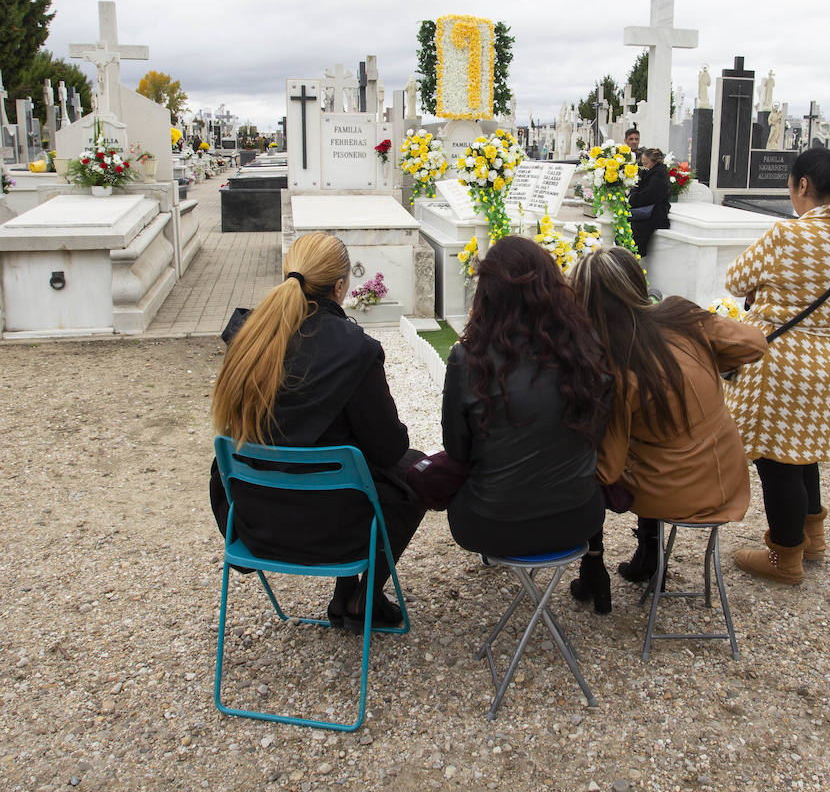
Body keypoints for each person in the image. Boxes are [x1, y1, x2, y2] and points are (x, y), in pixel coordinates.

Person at [208, 232, 426, 633]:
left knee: (339, 456)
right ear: (340, 287)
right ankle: (366, 596)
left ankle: (346, 594)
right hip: (331, 528)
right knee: (414, 474)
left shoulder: (248, 335)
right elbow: (389, 446)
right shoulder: (354, 349)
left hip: (253, 518)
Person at [563, 246, 767, 611]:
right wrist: (703, 359)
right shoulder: (683, 315)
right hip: (728, 472)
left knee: (597, 467)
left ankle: (594, 564)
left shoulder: (615, 367)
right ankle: (647, 554)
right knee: (649, 447)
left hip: (676, 491)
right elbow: (755, 343)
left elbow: (608, 471)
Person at [723, 147, 830, 584]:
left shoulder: (789, 235)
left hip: (783, 365)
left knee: (776, 462)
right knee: (804, 453)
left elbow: (735, 279)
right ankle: (812, 538)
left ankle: (785, 556)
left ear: (803, 186)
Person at [441, 237, 611, 560]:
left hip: (491, 523)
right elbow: (597, 432)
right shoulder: (587, 349)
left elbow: (456, 449)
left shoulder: (468, 358)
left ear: (487, 294)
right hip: (577, 518)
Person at [628, 147, 672, 257]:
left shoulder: (659, 175)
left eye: (646, 163)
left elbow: (648, 196)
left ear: (654, 162)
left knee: (634, 236)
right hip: (648, 211)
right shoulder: (652, 172)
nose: (644, 166)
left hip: (654, 213)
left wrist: (632, 198)